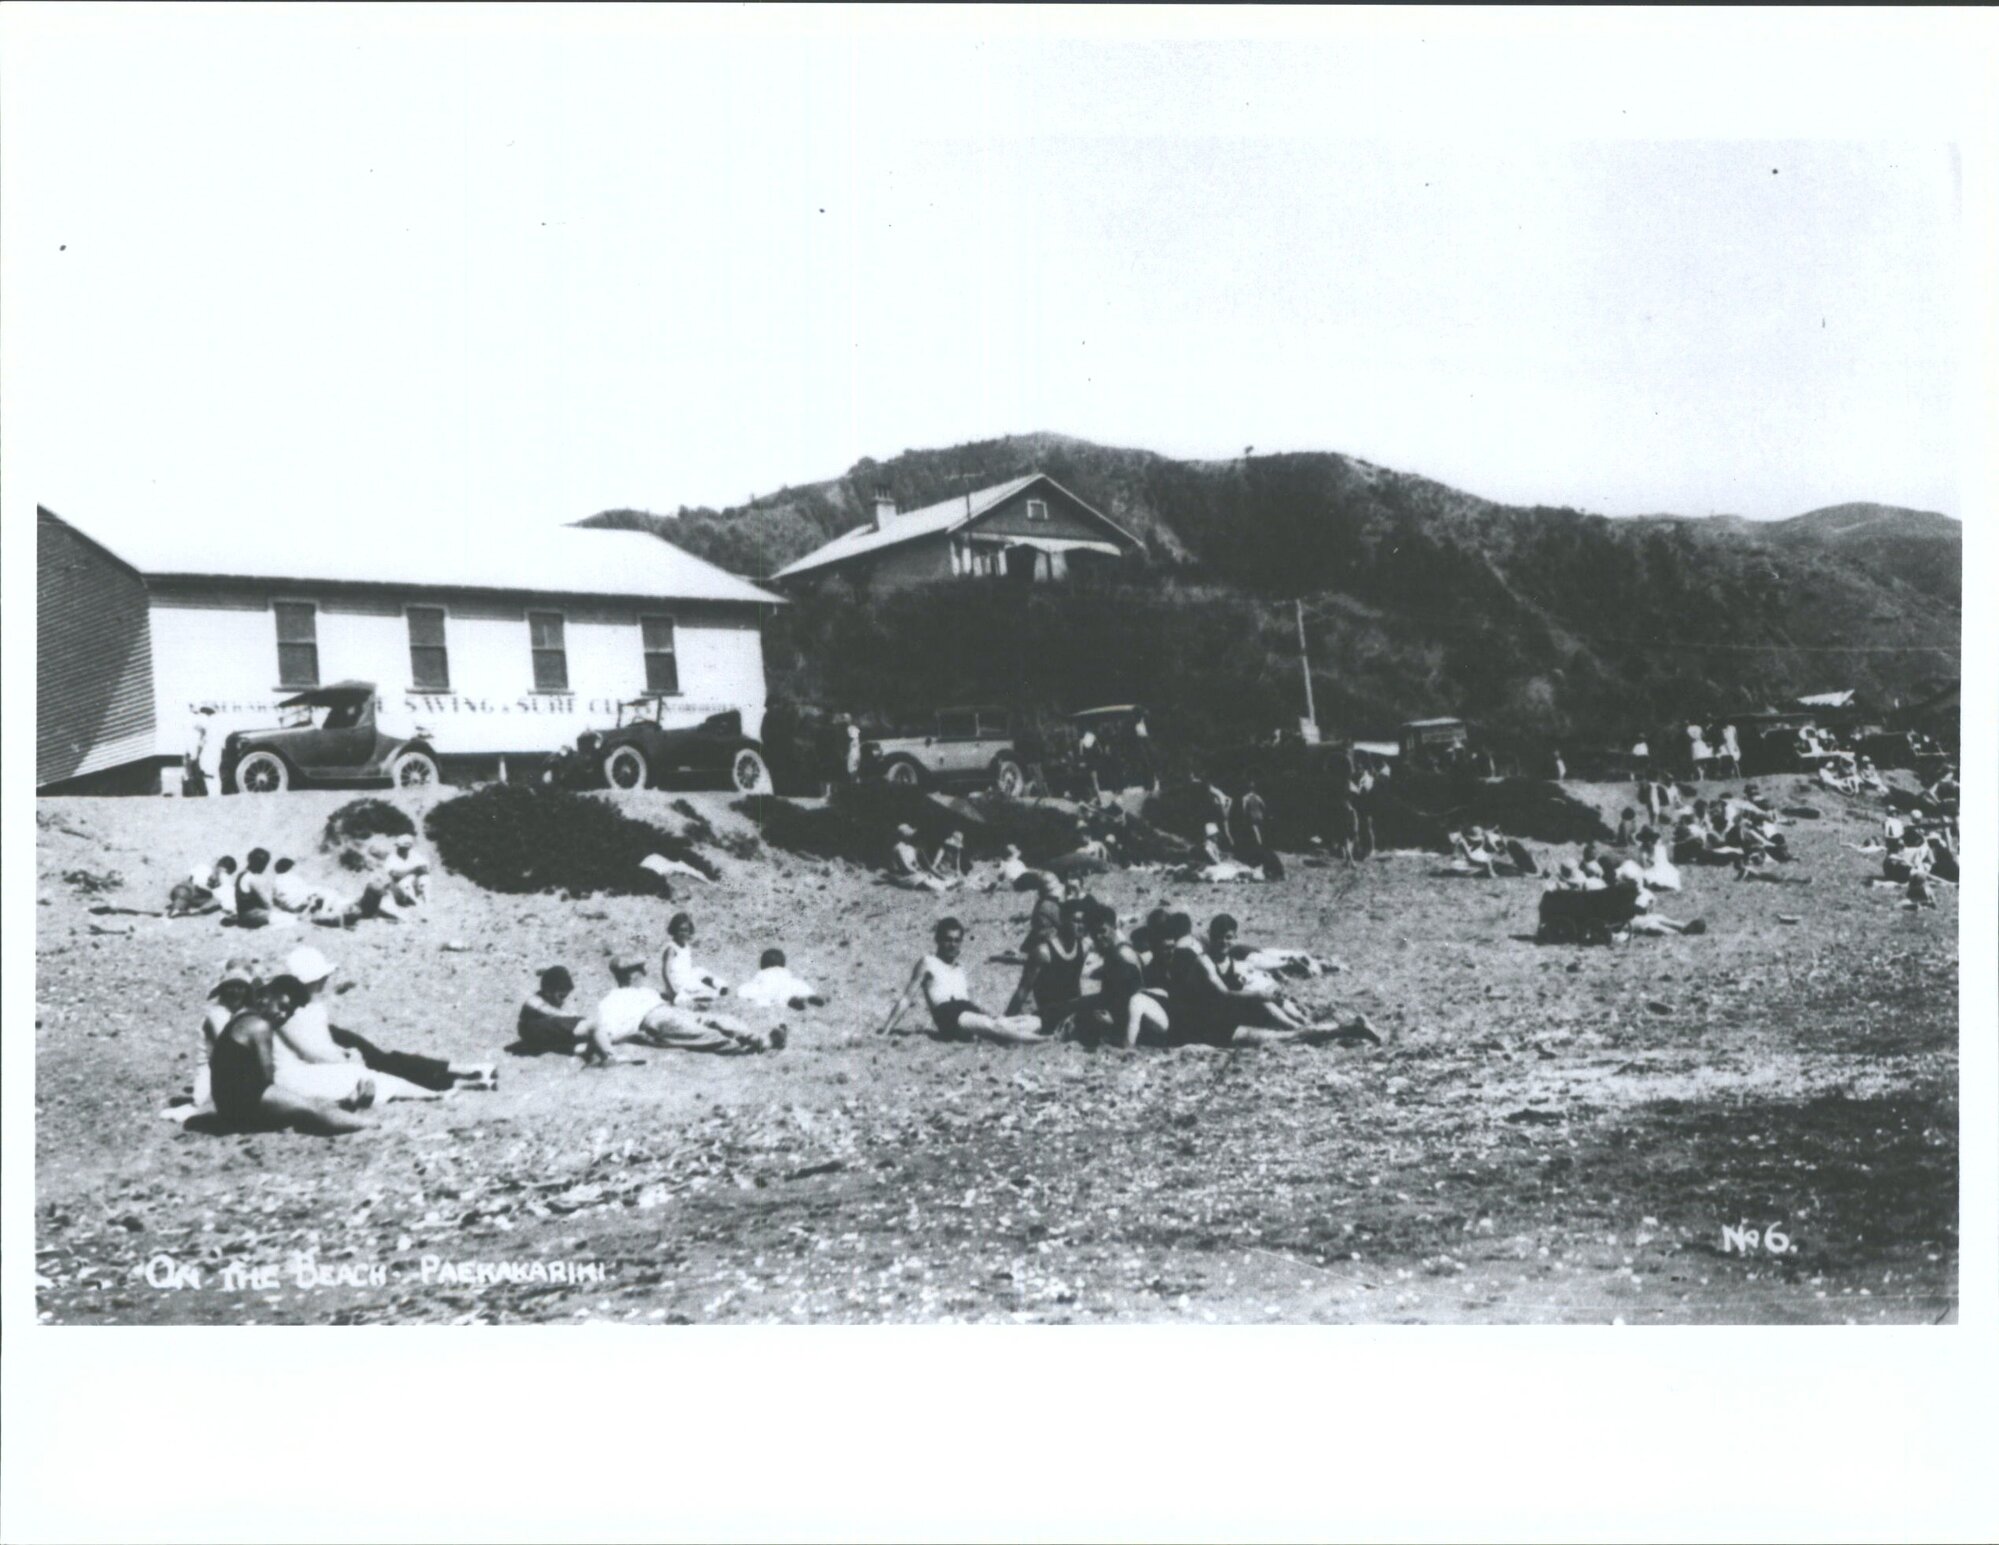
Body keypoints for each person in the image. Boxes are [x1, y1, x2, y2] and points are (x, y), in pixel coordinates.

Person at [277, 947, 494, 1095]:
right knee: (383, 1064)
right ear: (316, 980)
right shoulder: (289, 1013)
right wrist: (345, 1058)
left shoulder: (306, 1004)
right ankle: (460, 1077)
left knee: (384, 1060)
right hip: (320, 1062)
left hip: (327, 1044)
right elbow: (312, 1051)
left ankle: (461, 1073)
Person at [1158, 912, 1380, 1048]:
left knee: (1287, 1025)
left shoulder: (1229, 961)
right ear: (1211, 937)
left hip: (1226, 1018)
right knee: (1287, 1037)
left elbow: (1239, 990)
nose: (1224, 943)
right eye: (1219, 938)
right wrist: (1262, 994)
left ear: (1233, 938)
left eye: (1228, 938)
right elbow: (1222, 993)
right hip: (1213, 1027)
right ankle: (1345, 1029)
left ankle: (1323, 1028)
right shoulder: (1204, 962)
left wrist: (1272, 995)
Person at [201, 980, 376, 1136]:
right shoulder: (260, 1026)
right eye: (282, 1007)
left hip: (228, 1104)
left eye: (289, 1013)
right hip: (244, 1104)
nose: (283, 1016)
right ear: (265, 998)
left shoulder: (241, 1018)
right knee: (311, 1110)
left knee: (304, 1105)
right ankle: (372, 1124)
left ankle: (345, 1104)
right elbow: (267, 1078)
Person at [880, 918, 1050, 1045]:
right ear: (938, 940)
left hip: (966, 1011)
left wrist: (986, 1012)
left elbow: (967, 1001)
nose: (952, 945)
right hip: (948, 1015)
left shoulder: (959, 968)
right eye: (948, 940)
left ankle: (1025, 1034)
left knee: (1031, 1021)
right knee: (995, 1026)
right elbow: (906, 999)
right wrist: (886, 1031)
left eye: (956, 940)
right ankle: (1044, 1040)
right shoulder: (928, 962)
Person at [589, 952, 781, 1053]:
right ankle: (757, 1046)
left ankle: (757, 1039)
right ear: (631, 973)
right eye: (640, 970)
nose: (644, 974)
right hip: (655, 1020)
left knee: (717, 1020)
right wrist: (636, 1036)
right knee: (705, 1035)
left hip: (668, 1013)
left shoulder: (644, 991)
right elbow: (608, 1032)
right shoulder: (611, 1000)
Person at [1005, 897, 1095, 1026]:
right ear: (1063, 921)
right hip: (1048, 1015)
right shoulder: (1043, 952)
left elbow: (1074, 984)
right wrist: (1007, 1019)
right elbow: (1023, 990)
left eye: (1083, 922)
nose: (1081, 926)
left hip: (1073, 1012)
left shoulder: (1084, 948)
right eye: (1076, 921)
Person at [516, 965, 621, 1064]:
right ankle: (610, 1056)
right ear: (548, 991)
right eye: (560, 996)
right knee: (593, 1026)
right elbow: (548, 1011)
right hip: (536, 1032)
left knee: (591, 1040)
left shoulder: (545, 1004)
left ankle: (597, 1053)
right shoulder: (534, 1000)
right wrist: (574, 1018)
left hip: (544, 1039)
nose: (562, 1001)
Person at [661, 911, 728, 1008]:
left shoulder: (686, 946)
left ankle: (720, 985)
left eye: (686, 930)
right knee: (709, 993)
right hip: (679, 982)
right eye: (680, 930)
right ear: (674, 930)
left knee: (700, 970)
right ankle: (694, 995)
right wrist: (672, 990)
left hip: (686, 975)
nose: (683, 933)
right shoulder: (671, 949)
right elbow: (666, 973)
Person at [736, 949, 826, 1010]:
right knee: (798, 987)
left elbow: (748, 988)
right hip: (787, 987)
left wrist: (741, 991)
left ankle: (790, 1001)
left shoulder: (763, 973)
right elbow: (798, 984)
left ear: (762, 964)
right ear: (783, 963)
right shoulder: (786, 975)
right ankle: (807, 997)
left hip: (768, 991)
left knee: (757, 993)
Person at [231, 849, 293, 929]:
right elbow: (267, 904)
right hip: (252, 915)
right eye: (264, 865)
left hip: (243, 914)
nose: (264, 868)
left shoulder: (242, 874)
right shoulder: (252, 878)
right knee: (291, 918)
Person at [888, 824, 955, 892]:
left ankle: (945, 884)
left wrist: (924, 871)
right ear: (903, 836)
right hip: (904, 875)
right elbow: (906, 866)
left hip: (913, 872)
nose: (911, 836)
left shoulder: (910, 847)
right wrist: (920, 872)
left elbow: (916, 864)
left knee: (928, 876)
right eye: (908, 834)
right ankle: (942, 886)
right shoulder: (899, 848)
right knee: (922, 878)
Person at [168, 855, 238, 918]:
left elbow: (221, 898)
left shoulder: (225, 881)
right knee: (184, 892)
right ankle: (181, 907)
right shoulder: (204, 868)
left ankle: (181, 908)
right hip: (189, 892)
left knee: (215, 901)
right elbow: (190, 880)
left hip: (198, 898)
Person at [387, 835, 430, 909]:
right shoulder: (392, 857)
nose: (403, 850)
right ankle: (418, 904)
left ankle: (427, 901)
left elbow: (425, 868)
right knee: (405, 881)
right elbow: (394, 874)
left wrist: (420, 870)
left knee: (425, 878)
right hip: (399, 887)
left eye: (406, 848)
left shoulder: (414, 854)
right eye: (401, 848)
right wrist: (413, 870)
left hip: (412, 883)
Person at [183, 706, 217, 797]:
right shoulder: (200, 723)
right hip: (193, 752)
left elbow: (201, 738)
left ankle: (199, 793)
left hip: (194, 752)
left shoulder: (199, 724)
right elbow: (199, 738)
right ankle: (198, 793)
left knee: (193, 773)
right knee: (192, 773)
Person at [1240, 778, 1269, 857]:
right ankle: (1263, 845)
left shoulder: (1245, 797)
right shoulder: (1258, 797)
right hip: (1260, 815)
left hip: (1252, 816)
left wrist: (1244, 817)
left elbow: (1243, 809)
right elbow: (1264, 805)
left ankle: (1260, 847)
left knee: (1256, 832)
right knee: (1261, 831)